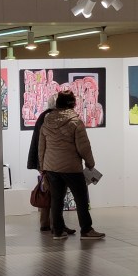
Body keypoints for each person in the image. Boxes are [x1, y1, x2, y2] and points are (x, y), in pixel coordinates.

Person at [39, 90, 104, 241]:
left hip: (51, 167)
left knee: (56, 199)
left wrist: (42, 167)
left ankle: (58, 231)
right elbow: (84, 147)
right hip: (71, 168)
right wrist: (90, 163)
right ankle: (86, 230)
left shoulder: (47, 122)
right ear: (73, 104)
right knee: (81, 199)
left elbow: (41, 147)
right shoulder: (75, 122)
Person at [27, 97, 75, 235]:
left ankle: (45, 223)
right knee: (56, 194)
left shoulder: (44, 116)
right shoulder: (51, 117)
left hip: (45, 160)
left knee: (48, 192)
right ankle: (56, 225)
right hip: (50, 161)